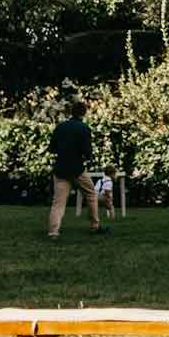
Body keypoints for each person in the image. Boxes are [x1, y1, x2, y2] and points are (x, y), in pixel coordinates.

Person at [48, 101, 107, 240]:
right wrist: (89, 157)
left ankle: (53, 232)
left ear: (71, 112)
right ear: (84, 113)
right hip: (77, 169)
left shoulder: (60, 127)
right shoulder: (84, 128)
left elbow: (52, 149)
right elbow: (87, 152)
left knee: (58, 203)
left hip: (60, 169)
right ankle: (95, 226)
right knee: (91, 194)